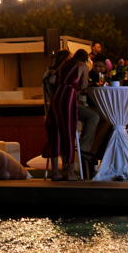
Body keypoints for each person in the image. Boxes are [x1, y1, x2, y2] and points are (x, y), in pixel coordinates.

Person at [44, 49, 87, 180]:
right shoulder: (83, 66)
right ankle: (70, 173)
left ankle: (55, 173)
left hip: (56, 98)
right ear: (84, 58)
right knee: (69, 132)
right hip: (69, 96)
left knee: (55, 132)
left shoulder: (64, 65)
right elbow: (84, 85)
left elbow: (51, 80)